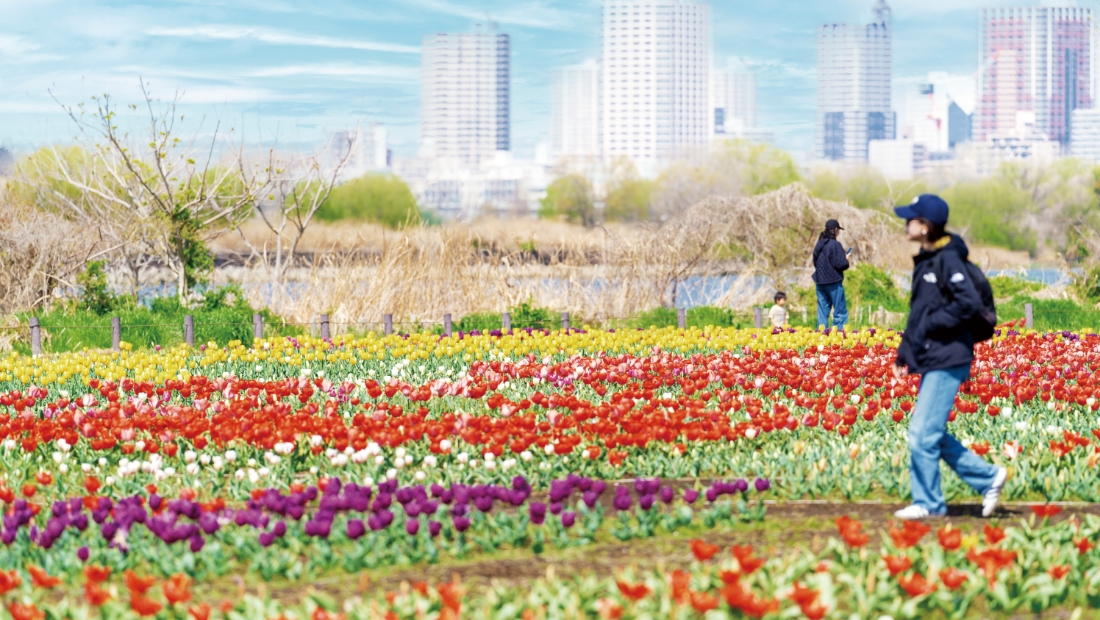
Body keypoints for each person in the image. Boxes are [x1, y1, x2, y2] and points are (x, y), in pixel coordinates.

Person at [891, 194, 1006, 520]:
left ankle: (929, 504)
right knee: (929, 432)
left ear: (925, 226)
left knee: (921, 434)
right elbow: (919, 314)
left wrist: (932, 324)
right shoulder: (928, 260)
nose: (906, 223)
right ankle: (987, 477)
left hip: (950, 354)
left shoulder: (948, 260)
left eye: (911, 218)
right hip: (934, 355)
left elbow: (967, 303)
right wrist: (905, 354)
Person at [811, 219, 849, 330]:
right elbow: (841, 264)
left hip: (820, 281)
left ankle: (821, 337)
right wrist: (845, 259)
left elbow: (815, 261)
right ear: (836, 230)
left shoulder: (819, 243)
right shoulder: (835, 245)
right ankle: (838, 337)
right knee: (840, 311)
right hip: (833, 282)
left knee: (822, 311)